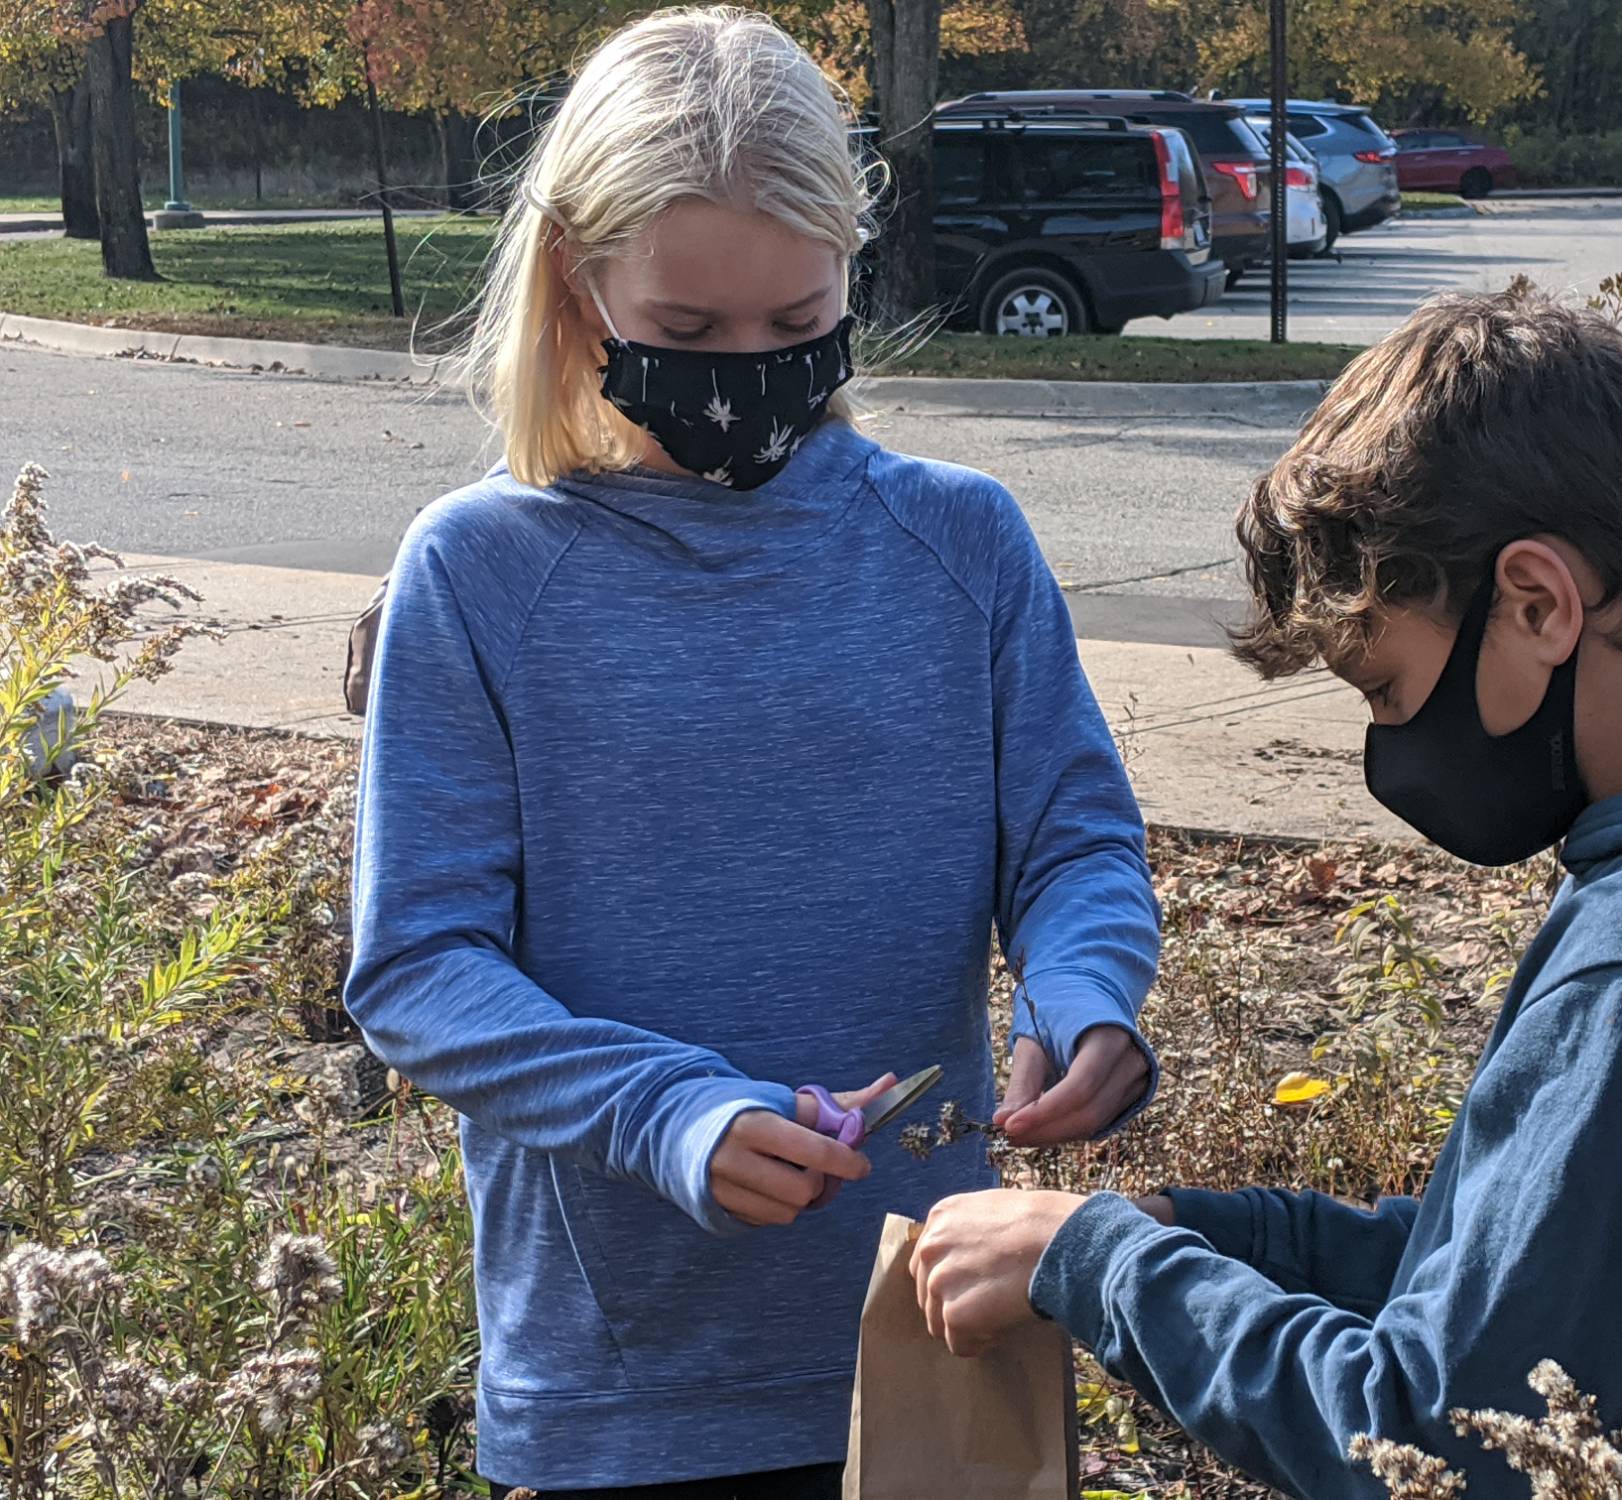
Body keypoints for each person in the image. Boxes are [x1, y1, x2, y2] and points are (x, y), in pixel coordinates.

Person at [908, 290, 1622, 1497]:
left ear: (1536, 604)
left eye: (1383, 687)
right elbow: (1541, 1274)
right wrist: (1222, 1236)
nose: (1387, 751)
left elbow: (1439, 1441)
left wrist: (1103, 1265)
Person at [343, 9, 1160, 1496]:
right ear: (581, 286)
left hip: (933, 1331)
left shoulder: (958, 542)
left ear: (854, 268)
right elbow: (418, 967)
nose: (748, 376)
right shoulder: (476, 573)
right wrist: (670, 1113)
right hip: (621, 1388)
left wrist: (1088, 995)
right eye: (692, 333)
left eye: (797, 328)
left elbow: (1071, 842)